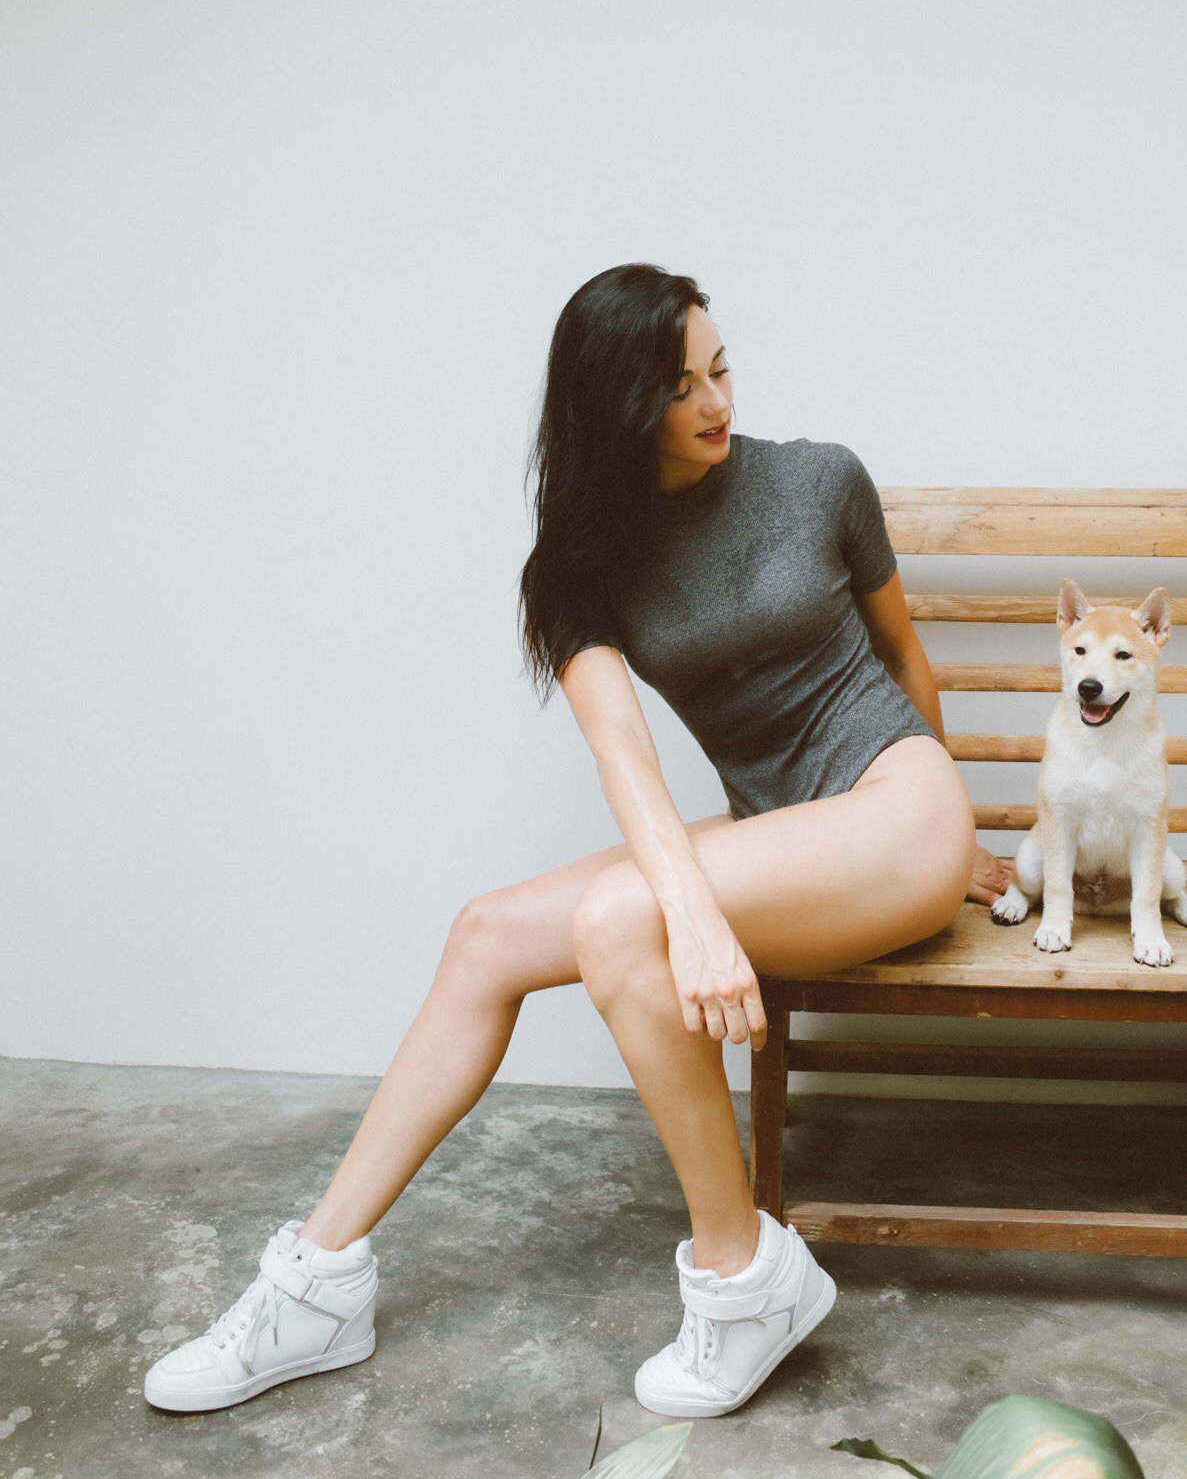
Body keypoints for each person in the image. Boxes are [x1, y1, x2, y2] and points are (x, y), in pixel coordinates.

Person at [144, 262, 1003, 1420]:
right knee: (485, 934)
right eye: (679, 385)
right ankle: (317, 1280)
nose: (715, 400)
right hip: (785, 834)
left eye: (721, 368)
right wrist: (693, 911)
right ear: (613, 404)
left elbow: (902, 657)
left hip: (899, 801)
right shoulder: (578, 567)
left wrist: (957, 842)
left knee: (618, 918)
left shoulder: (820, 479)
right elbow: (625, 751)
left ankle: (743, 1274)